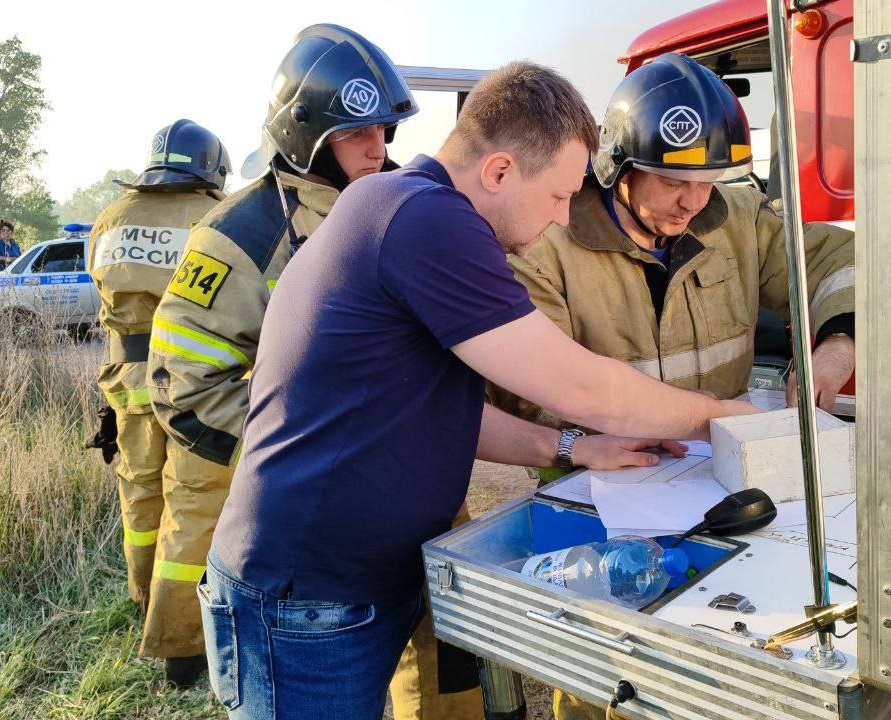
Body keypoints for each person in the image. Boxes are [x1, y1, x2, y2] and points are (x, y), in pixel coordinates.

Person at [199, 60, 758, 720]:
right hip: (306, 597)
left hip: (350, 583)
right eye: (557, 197)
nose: (559, 220)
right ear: (498, 172)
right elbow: (582, 384)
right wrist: (723, 417)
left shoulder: (402, 207)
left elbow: (443, 409)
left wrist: (575, 448)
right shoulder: (424, 220)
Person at [485, 55, 855, 720]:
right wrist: (594, 434)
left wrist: (836, 342)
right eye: (671, 181)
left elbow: (834, 258)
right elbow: (530, 390)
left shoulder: (737, 219)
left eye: (710, 181)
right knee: (607, 680)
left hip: (727, 494)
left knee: (721, 671)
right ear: (619, 169)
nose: (694, 201)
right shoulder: (550, 245)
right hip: (601, 510)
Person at [147, 26, 474, 709]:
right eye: (356, 135)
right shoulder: (244, 234)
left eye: (383, 130)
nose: (377, 150)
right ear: (304, 134)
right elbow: (184, 384)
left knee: (443, 672)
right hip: (323, 527)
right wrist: (309, 440)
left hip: (429, 500)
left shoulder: (412, 203)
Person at [85, 119, 231, 687]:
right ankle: (181, 644)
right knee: (192, 499)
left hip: (127, 375)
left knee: (140, 488)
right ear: (210, 168)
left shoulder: (109, 218)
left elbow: (102, 292)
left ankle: (143, 599)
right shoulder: (213, 218)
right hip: (192, 377)